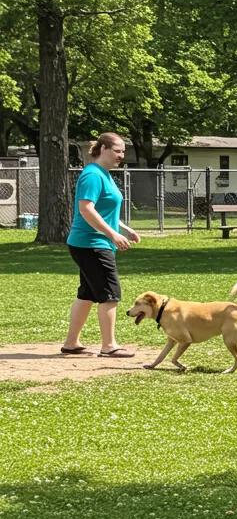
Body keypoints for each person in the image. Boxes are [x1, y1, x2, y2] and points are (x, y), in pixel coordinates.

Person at [62, 132, 140, 356]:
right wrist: (112, 235)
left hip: (90, 242)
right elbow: (86, 209)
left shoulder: (103, 174)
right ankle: (109, 346)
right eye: (117, 151)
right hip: (91, 243)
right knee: (109, 292)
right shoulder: (93, 175)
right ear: (103, 148)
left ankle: (71, 343)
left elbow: (104, 210)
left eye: (123, 151)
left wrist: (124, 228)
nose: (121, 156)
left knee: (87, 294)